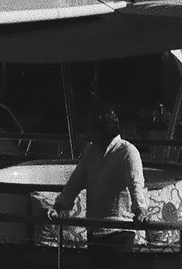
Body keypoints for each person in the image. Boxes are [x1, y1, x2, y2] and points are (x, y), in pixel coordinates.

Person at [52, 105, 150, 245]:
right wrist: (59, 206)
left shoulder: (127, 151)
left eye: (89, 127)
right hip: (95, 228)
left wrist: (140, 209)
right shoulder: (90, 151)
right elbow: (76, 181)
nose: (86, 131)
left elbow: (135, 184)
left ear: (100, 129)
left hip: (120, 228)